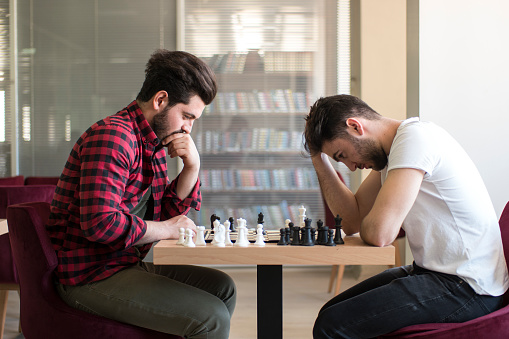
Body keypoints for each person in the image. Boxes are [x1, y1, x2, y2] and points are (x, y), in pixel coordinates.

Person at [47, 49, 236, 339]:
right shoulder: (113, 137)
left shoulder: (153, 143)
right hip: (90, 275)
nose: (188, 128)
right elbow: (100, 224)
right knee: (211, 319)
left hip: (124, 264)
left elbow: (170, 215)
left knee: (223, 287)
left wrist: (192, 168)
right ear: (160, 100)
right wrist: (166, 229)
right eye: (187, 116)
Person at [304, 94, 509, 338]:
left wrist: (377, 220)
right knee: (331, 312)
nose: (349, 166)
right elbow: (351, 222)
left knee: (332, 325)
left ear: (355, 126)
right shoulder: (396, 151)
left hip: (468, 287)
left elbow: (381, 234)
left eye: (342, 155)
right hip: (436, 274)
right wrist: (318, 157)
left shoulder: (415, 140)